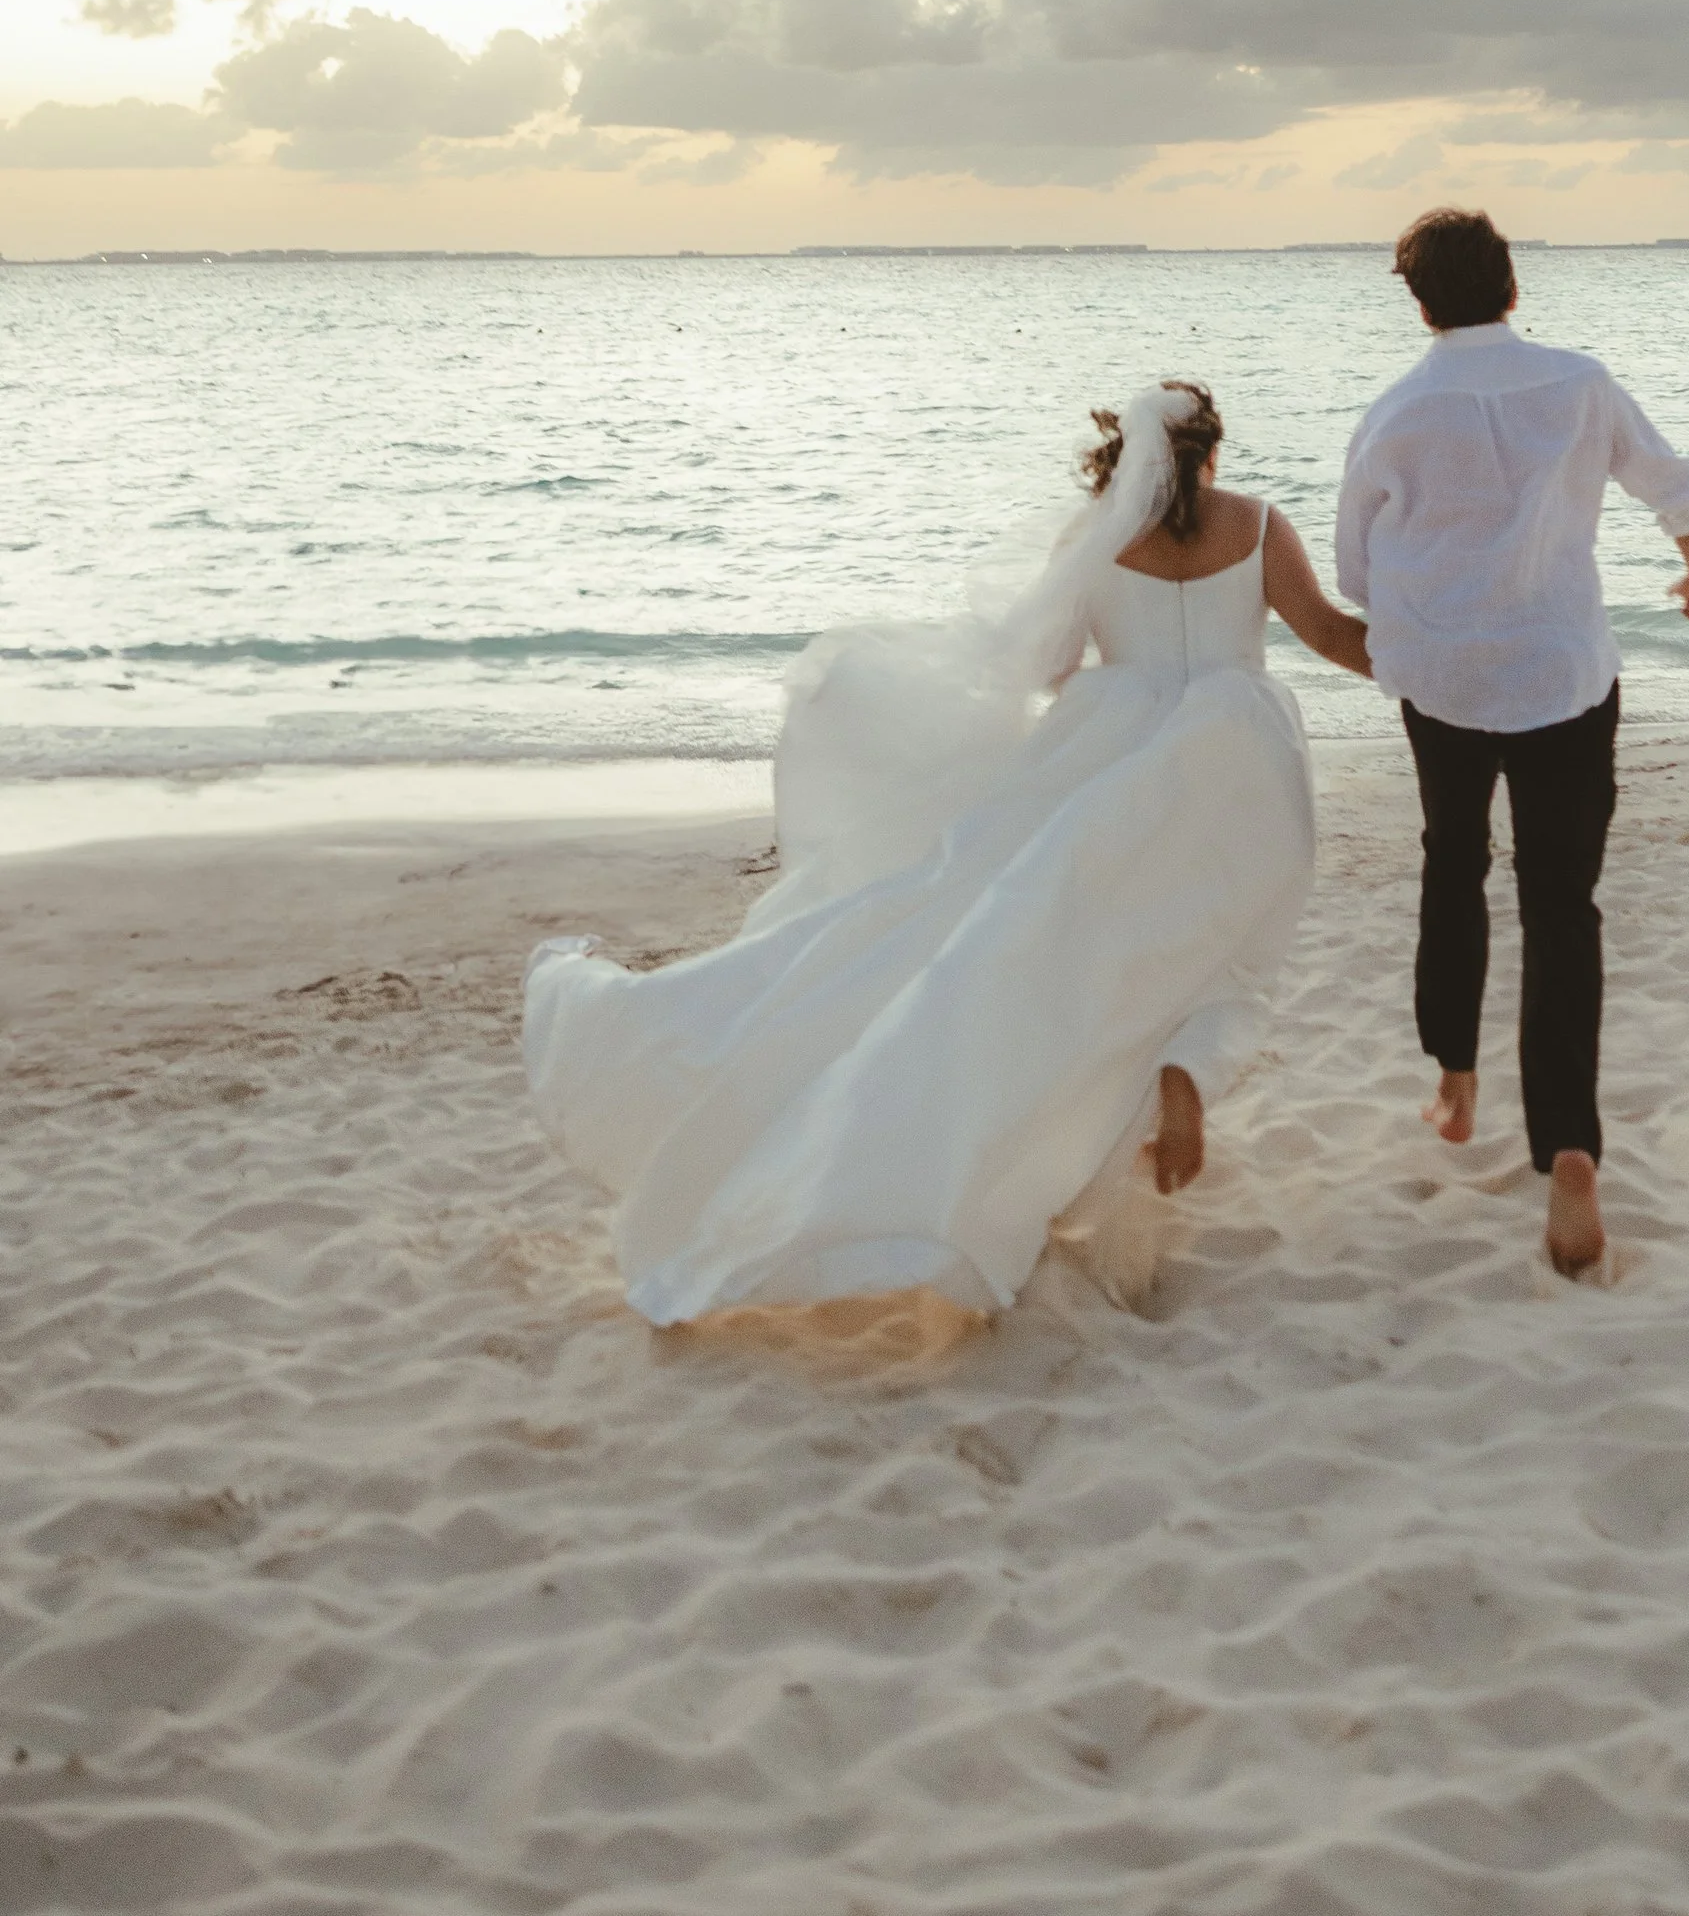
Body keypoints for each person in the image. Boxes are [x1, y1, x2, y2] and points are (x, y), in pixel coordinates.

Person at [524, 381, 1370, 1322]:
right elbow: (1331, 635)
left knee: (1086, 954)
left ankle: (1110, 1116)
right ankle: (1187, 1071)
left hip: (1112, 758)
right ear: (1211, 453)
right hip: (1238, 757)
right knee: (1228, 953)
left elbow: (1046, 674)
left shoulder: (1093, 540)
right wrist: (1454, 676)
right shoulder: (1256, 528)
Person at [1336, 211, 1689, 1278]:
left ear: (1419, 302)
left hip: (1446, 680)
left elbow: (1355, 569)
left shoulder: (1397, 410)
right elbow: (1680, 492)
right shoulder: (1580, 383)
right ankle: (1567, 1149)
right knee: (1562, 904)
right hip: (1561, 673)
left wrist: (1427, 618)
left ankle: (1455, 1079)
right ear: (1511, 287)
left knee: (1452, 862)